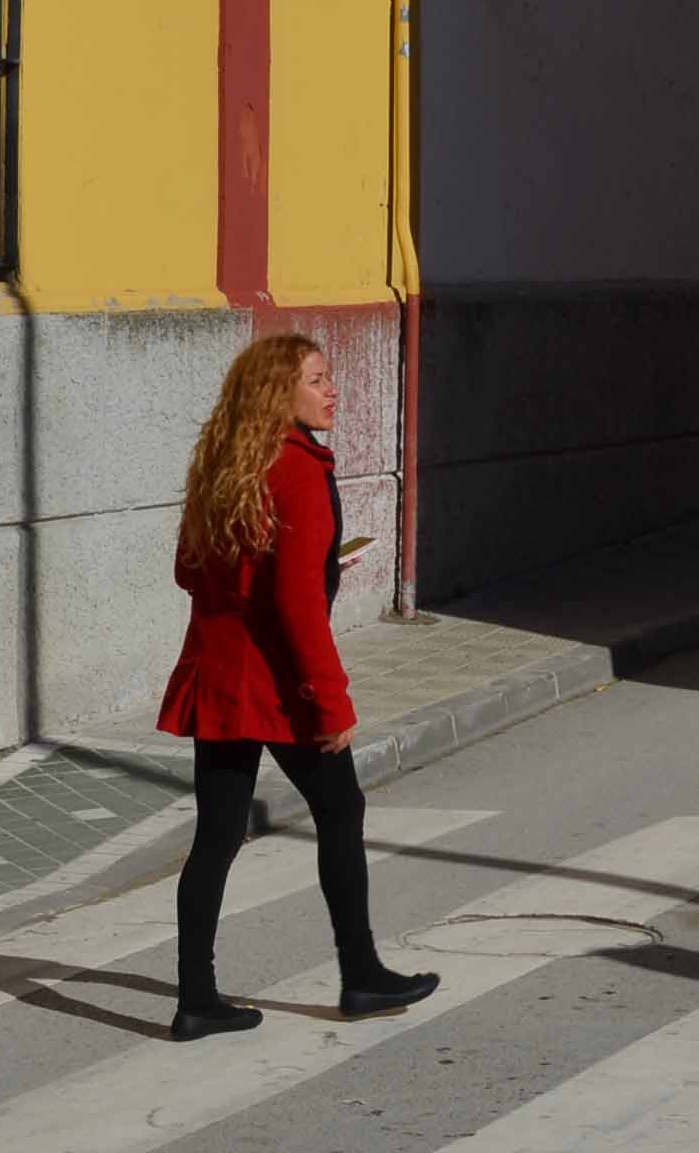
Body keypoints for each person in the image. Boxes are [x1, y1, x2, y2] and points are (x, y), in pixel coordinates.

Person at [156, 333, 440, 1042]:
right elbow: (298, 607)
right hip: (277, 684)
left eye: (329, 376)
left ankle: (197, 998)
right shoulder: (298, 471)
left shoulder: (225, 465)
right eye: (317, 378)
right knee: (340, 808)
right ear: (279, 393)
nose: (332, 389)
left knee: (216, 838)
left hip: (217, 675)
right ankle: (361, 974)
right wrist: (332, 702)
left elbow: (189, 573)